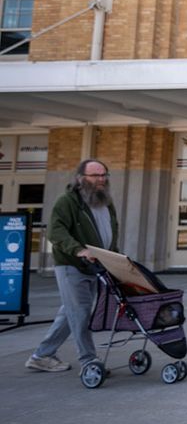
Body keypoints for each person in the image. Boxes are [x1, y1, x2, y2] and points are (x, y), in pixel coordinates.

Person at [25, 159, 119, 374]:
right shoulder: (67, 202)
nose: (101, 179)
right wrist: (79, 250)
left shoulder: (106, 202)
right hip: (72, 265)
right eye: (95, 175)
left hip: (96, 266)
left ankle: (42, 355)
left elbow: (111, 232)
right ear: (80, 178)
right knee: (81, 313)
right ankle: (89, 361)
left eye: (104, 175)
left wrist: (115, 258)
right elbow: (56, 232)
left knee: (70, 312)